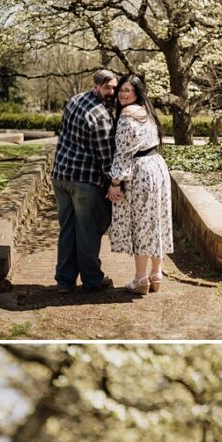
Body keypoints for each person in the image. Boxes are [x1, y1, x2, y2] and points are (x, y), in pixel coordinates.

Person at [51, 69, 119, 294]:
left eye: (114, 87)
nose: (112, 92)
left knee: (67, 229)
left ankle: (64, 281)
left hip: (61, 176)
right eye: (107, 88)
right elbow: (105, 157)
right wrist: (115, 183)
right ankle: (92, 280)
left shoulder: (75, 99)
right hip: (84, 180)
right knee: (88, 230)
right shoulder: (99, 115)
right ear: (96, 86)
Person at [105, 73, 174, 294]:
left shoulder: (126, 116)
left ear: (137, 92)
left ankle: (141, 280)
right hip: (157, 167)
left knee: (141, 224)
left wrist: (115, 183)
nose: (124, 94)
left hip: (140, 172)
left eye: (129, 90)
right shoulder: (147, 111)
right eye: (121, 90)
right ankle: (157, 274)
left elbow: (123, 154)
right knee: (156, 220)